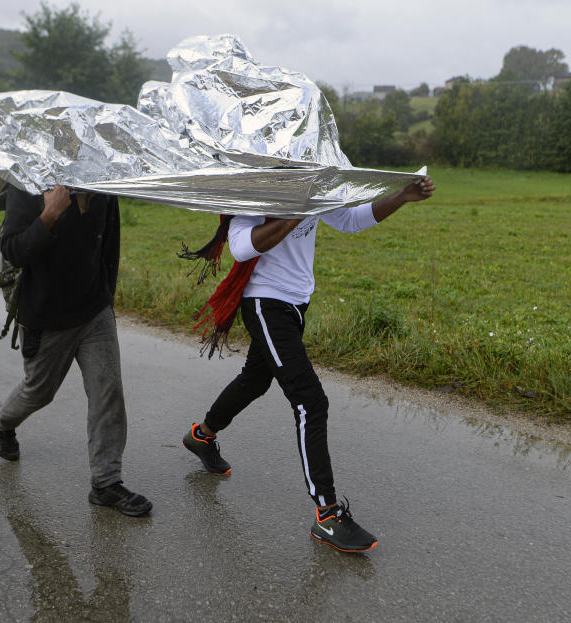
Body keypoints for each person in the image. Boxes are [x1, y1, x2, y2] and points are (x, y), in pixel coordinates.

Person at [182, 175, 436, 551]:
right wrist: (297, 213)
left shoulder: (309, 185)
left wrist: (403, 196)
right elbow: (240, 248)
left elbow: (350, 220)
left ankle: (201, 436)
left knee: (255, 380)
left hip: (296, 302)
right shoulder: (249, 191)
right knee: (310, 400)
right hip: (264, 304)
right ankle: (328, 516)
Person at [0, 183, 152, 517]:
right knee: (38, 392)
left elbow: (109, 243)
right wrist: (50, 213)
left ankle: (106, 482)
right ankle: (1, 420)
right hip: (46, 315)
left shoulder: (102, 181)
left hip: (93, 310)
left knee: (108, 390)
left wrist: (108, 298)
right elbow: (14, 250)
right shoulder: (29, 182)